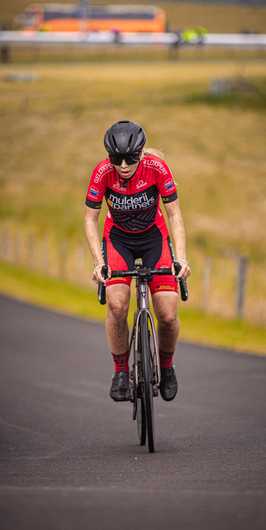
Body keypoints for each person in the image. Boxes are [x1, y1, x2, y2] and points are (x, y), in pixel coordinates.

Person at [84, 120, 191, 403]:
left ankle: (166, 368)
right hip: (118, 239)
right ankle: (121, 372)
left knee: (167, 314)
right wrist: (98, 262)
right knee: (117, 305)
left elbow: (175, 215)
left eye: (130, 158)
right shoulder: (102, 173)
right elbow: (90, 219)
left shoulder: (157, 168)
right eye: (115, 158)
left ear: (141, 153)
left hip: (153, 238)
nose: (122, 165)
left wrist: (180, 258)